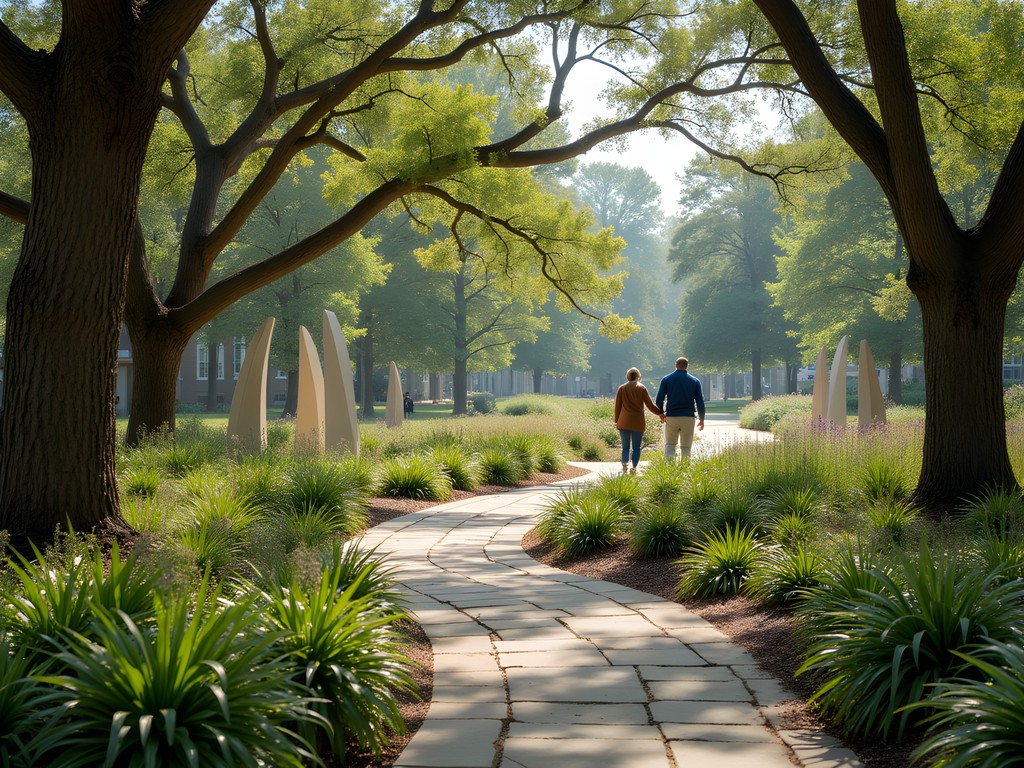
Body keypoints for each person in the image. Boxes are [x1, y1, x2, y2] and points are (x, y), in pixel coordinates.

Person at [613, 367, 665, 474]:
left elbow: (617, 407)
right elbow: (650, 405)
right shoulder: (642, 388)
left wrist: (616, 421)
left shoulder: (622, 388)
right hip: (638, 422)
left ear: (628, 376)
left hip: (624, 421)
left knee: (625, 447)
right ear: (638, 376)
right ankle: (634, 467)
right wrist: (660, 413)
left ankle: (624, 463)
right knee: (636, 447)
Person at [655, 356, 705, 461]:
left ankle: (669, 468)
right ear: (687, 366)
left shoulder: (666, 379)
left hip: (672, 416)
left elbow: (659, 400)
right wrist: (702, 419)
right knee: (686, 446)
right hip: (688, 416)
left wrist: (661, 413)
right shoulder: (695, 381)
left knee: (670, 444)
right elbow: (700, 402)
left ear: (676, 365)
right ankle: (685, 469)